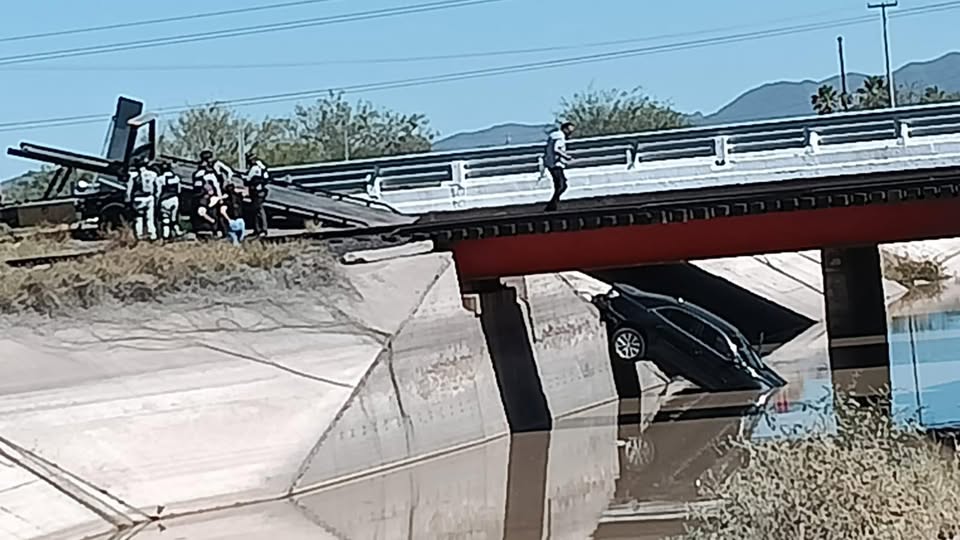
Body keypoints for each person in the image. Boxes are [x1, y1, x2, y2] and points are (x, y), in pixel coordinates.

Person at [543, 121, 575, 211]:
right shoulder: (560, 136)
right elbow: (556, 149)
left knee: (559, 185)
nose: (570, 133)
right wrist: (566, 156)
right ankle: (551, 205)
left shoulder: (554, 135)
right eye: (569, 131)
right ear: (565, 129)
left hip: (551, 163)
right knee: (562, 185)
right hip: (556, 164)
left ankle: (553, 205)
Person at [125, 160, 160, 241]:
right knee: (150, 218)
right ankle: (153, 235)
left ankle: (139, 236)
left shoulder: (133, 175)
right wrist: (156, 197)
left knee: (139, 218)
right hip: (150, 198)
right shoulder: (153, 174)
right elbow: (157, 188)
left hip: (138, 198)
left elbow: (129, 189)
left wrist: (128, 199)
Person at [243, 150, 269, 238]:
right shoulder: (261, 166)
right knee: (259, 210)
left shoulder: (254, 168)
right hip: (262, 190)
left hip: (256, 192)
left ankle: (261, 230)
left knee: (258, 210)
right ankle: (259, 229)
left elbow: (247, 180)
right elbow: (266, 177)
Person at [157, 162, 182, 241]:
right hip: (175, 199)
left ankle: (166, 235)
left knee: (165, 218)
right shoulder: (176, 178)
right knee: (173, 218)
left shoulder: (160, 179)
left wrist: (157, 201)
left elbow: (158, 191)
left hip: (165, 200)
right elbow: (179, 190)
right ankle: (177, 232)